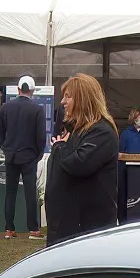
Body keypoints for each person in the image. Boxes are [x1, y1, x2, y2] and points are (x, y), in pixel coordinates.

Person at [45, 73, 119, 244]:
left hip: (87, 230)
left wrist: (60, 147)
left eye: (67, 97)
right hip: (69, 226)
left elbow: (78, 164)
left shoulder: (102, 132)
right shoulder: (76, 131)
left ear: (83, 100)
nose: (62, 102)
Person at [0, 74, 44, 239]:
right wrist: (37, 154)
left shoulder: (6, 108)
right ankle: (33, 229)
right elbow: (41, 137)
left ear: (18, 90)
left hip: (11, 156)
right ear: (32, 91)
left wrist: (6, 148)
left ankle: (9, 229)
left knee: (10, 192)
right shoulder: (38, 109)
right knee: (30, 193)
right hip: (29, 156)